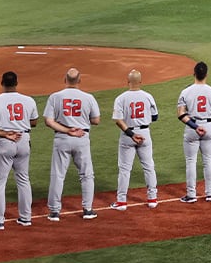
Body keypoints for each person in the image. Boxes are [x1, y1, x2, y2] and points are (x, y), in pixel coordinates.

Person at [0, 71, 38, 230]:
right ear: (17, 83)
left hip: (5, 142)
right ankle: (26, 218)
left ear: (2, 83)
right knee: (23, 179)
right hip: (24, 140)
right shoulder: (28, 100)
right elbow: (34, 122)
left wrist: (5, 133)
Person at [44, 67, 101, 221]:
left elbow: (48, 121)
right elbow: (96, 120)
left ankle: (54, 212)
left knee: (58, 175)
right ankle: (88, 210)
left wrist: (67, 130)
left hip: (62, 138)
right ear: (80, 80)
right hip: (82, 138)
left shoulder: (55, 97)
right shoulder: (88, 97)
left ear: (65, 79)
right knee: (86, 174)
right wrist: (81, 122)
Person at [110, 70, 159, 210]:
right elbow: (155, 117)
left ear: (128, 82)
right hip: (144, 134)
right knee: (149, 166)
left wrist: (131, 133)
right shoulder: (148, 96)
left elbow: (118, 120)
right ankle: (152, 199)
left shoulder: (121, 98)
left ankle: (121, 202)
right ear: (141, 82)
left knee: (125, 169)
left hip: (127, 134)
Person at [177, 61, 211, 203]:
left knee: (191, 161)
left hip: (192, 128)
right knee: (208, 161)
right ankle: (210, 194)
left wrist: (194, 126)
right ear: (206, 75)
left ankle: (191, 195)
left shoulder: (186, 91)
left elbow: (180, 114)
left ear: (194, 74)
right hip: (209, 127)